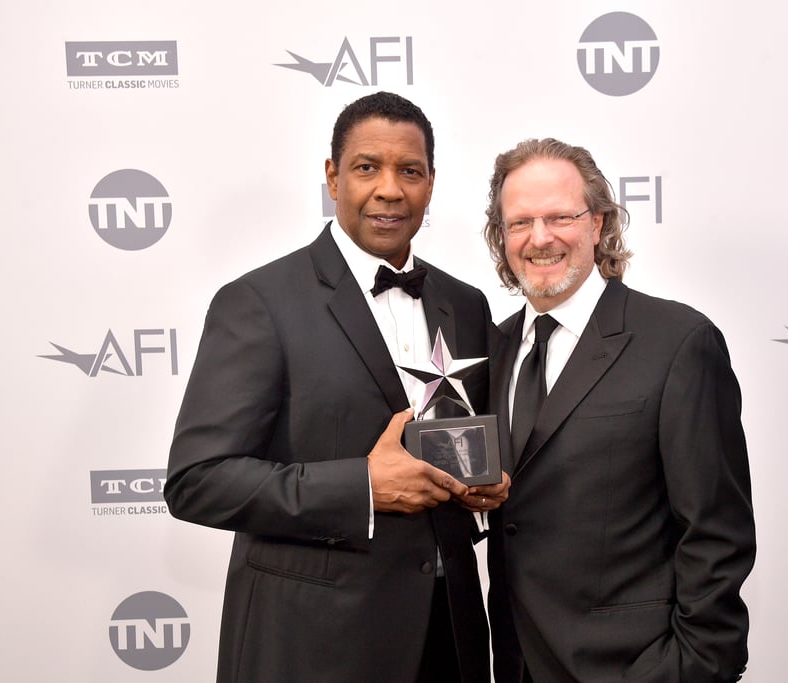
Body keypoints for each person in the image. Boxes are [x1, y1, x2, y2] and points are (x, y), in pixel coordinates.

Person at [165, 91, 508, 683]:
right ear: (332, 176)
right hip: (312, 645)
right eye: (366, 167)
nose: (389, 190)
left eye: (410, 171)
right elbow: (197, 481)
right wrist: (361, 488)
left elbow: (460, 444)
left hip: (448, 639)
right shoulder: (259, 302)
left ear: (431, 183)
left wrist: (480, 487)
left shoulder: (465, 303)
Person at [482, 138, 755, 683]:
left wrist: (689, 668)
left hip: (635, 668)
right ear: (501, 236)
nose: (540, 239)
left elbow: (716, 534)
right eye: (520, 223)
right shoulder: (494, 350)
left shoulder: (678, 343)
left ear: (599, 223)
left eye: (560, 217)